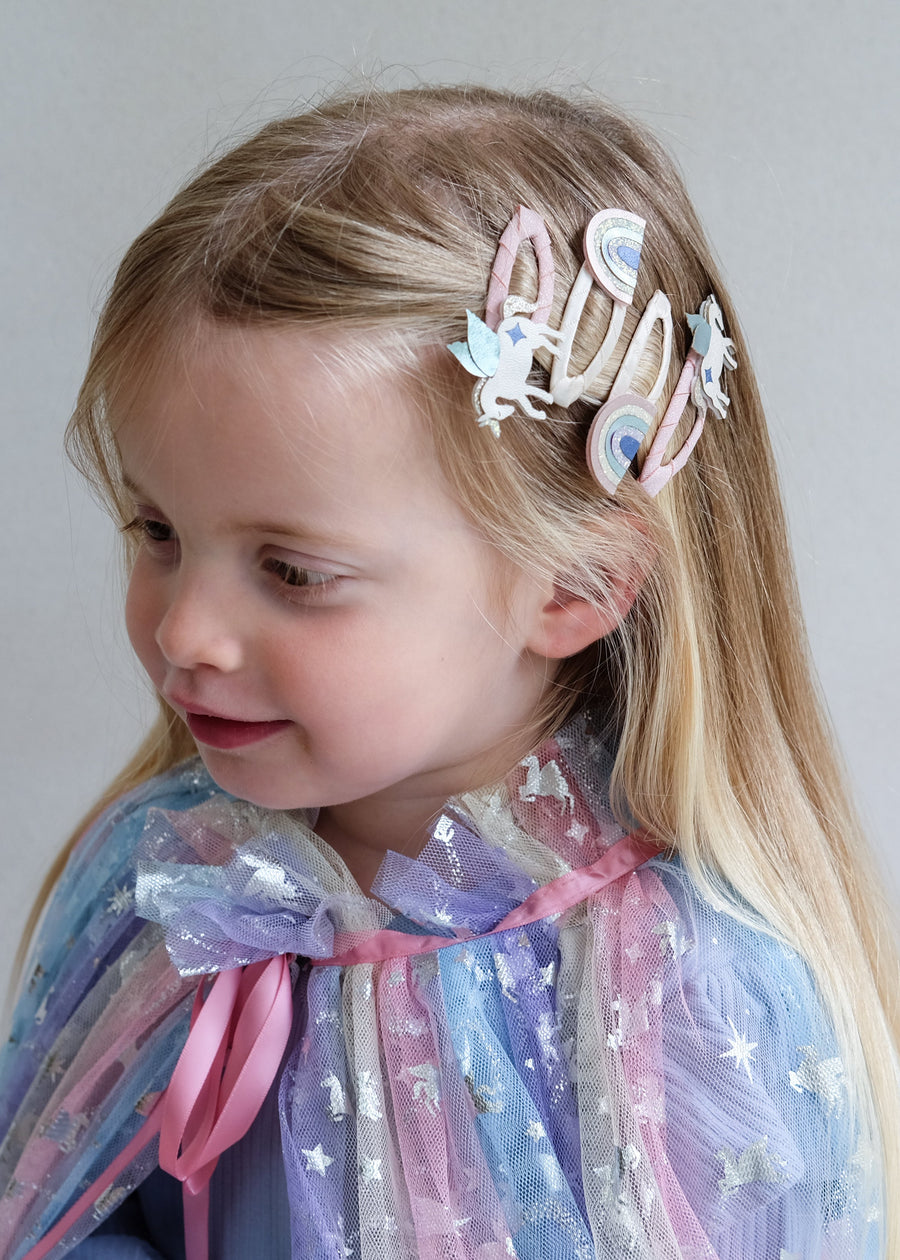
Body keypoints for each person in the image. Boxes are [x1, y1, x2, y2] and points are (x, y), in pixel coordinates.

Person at [1, 84, 897, 1260]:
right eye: (159, 531)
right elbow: (67, 1214)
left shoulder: (675, 991)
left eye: (294, 570)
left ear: (571, 587)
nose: (185, 633)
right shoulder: (173, 880)